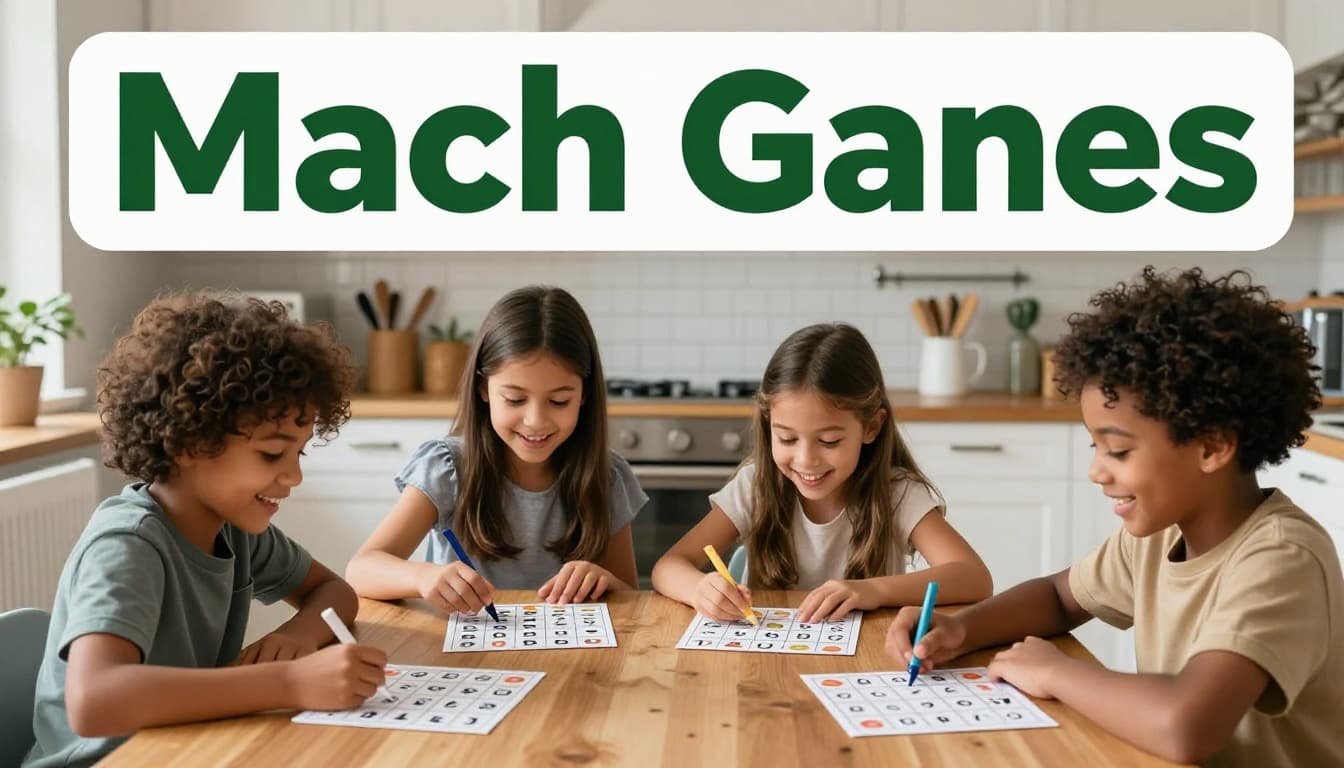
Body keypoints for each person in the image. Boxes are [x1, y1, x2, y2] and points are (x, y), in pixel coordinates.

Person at [886, 267, 1344, 766]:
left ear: (1212, 446)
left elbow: (1187, 725)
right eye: (1095, 446)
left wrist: (1057, 671)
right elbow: (1059, 598)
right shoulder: (1162, 534)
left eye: (1118, 451)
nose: (1096, 472)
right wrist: (961, 630)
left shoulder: (1280, 558)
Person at [25, 293, 385, 768]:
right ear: (192, 443)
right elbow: (95, 701)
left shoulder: (234, 528)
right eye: (272, 454)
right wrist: (290, 682)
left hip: (187, 749)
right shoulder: (128, 546)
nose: (295, 477)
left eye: (300, 454)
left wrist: (299, 636)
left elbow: (333, 590)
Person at [652, 322, 992, 625]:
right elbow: (668, 566)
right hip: (764, 668)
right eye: (786, 438)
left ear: (871, 427)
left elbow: (973, 577)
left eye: (829, 441)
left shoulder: (897, 493)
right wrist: (699, 588)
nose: (806, 460)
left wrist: (872, 591)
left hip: (865, 663)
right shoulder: (755, 486)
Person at [345, 285, 646, 612]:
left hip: (577, 658)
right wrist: (422, 577)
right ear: (483, 388)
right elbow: (361, 569)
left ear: (584, 395)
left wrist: (602, 580)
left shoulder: (608, 476)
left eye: (559, 401)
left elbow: (630, 595)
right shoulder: (447, 467)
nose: (535, 421)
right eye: (515, 399)